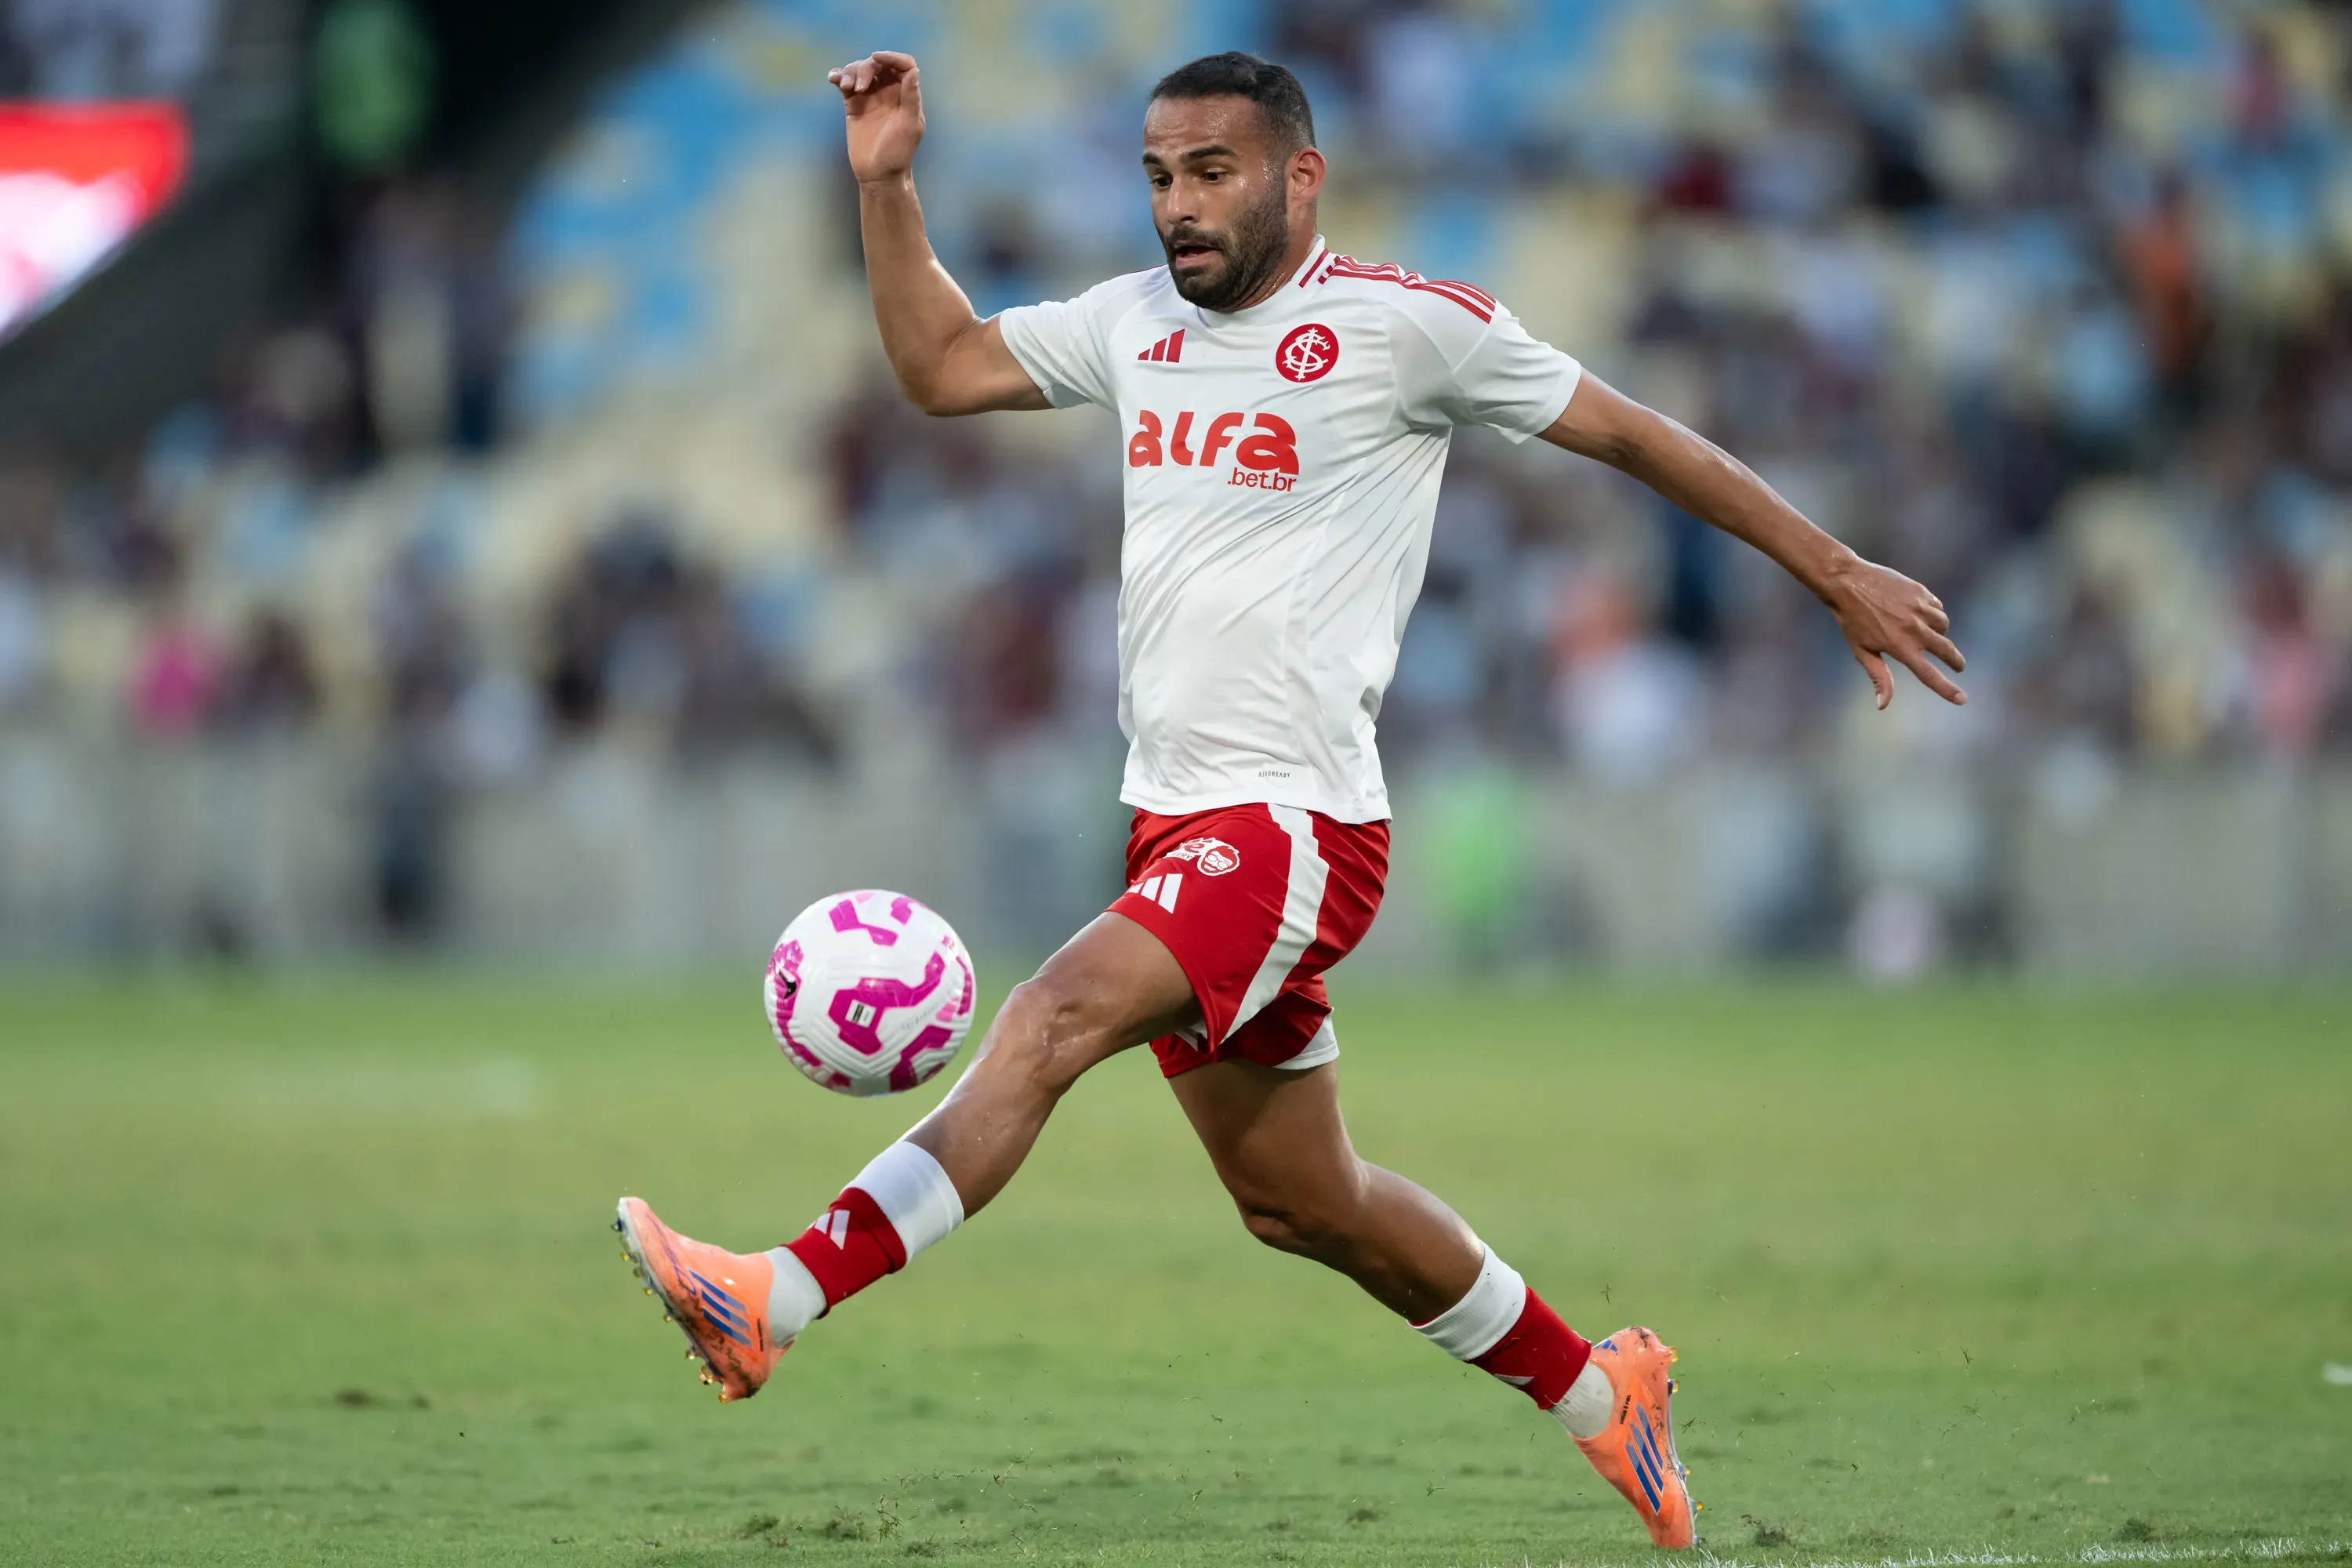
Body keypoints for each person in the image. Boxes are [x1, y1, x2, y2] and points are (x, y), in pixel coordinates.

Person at [615, 50, 1966, 1550]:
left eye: (1212, 175)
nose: (1179, 211)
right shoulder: (1134, 322)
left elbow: (1640, 436)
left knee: (1049, 1019)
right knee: (1300, 1202)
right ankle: (1602, 1395)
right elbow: (939, 368)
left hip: (1298, 829)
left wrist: (1837, 573)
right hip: (1172, 818)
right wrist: (884, 185)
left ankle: (774, 1298)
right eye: (1157, 178)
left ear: (1297, 177)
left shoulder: (1404, 332)